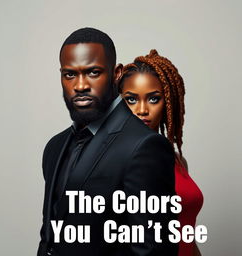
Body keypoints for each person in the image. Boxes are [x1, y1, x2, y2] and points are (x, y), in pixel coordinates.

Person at [37, 28, 178, 256]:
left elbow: (152, 251)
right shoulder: (55, 147)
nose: (80, 85)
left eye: (93, 72)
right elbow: (50, 237)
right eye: (70, 74)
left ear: (117, 74)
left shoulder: (145, 146)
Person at [119, 49, 204, 256]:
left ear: (168, 102)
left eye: (153, 99)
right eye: (131, 99)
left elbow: (187, 236)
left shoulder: (177, 160)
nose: (142, 110)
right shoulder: (114, 161)